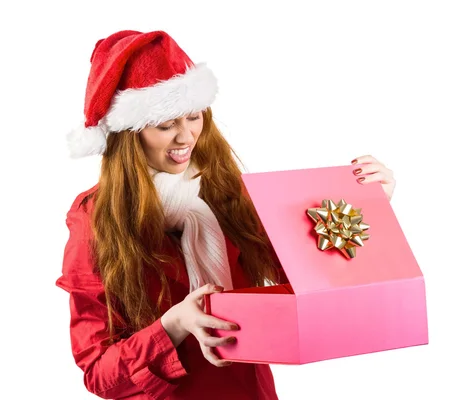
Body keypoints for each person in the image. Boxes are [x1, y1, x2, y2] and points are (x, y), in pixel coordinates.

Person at [56, 30, 397, 400]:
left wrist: (364, 208)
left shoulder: (227, 193)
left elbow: (313, 281)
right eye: (166, 125)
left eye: (193, 117)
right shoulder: (95, 219)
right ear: (129, 135)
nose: (186, 138)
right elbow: (99, 374)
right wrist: (173, 325)